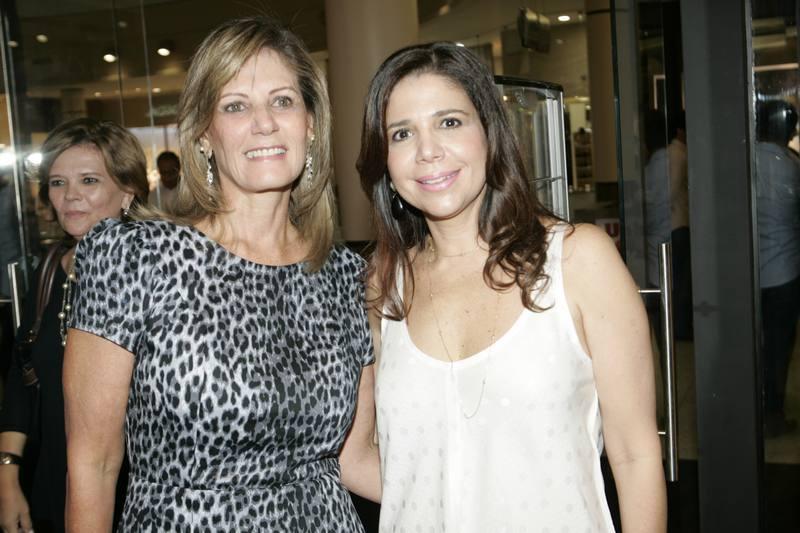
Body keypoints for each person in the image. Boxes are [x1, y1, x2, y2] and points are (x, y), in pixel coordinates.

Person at [62, 16, 379, 530]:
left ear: (310, 123)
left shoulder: (344, 276)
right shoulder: (136, 256)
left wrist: (476, 502)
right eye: (235, 106)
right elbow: (92, 466)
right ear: (204, 135)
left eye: (282, 101)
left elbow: (355, 458)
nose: (264, 122)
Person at [358, 42, 666, 532]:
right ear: (387, 165)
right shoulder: (383, 284)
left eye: (449, 122)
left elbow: (634, 454)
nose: (428, 150)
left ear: (490, 134)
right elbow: (357, 456)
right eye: (402, 133)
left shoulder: (577, 260)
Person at [0, 117, 149, 533]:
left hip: (134, 492)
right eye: (58, 183)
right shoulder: (51, 269)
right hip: (55, 480)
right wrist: (7, 474)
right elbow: (23, 376)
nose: (70, 196)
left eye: (89, 180)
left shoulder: (156, 276)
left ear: (128, 190)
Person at [754, 99, 800, 437]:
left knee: (752, 344)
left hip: (748, 272)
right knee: (779, 347)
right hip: (785, 272)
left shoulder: (744, 161)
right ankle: (773, 412)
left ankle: (751, 408)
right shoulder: (792, 166)